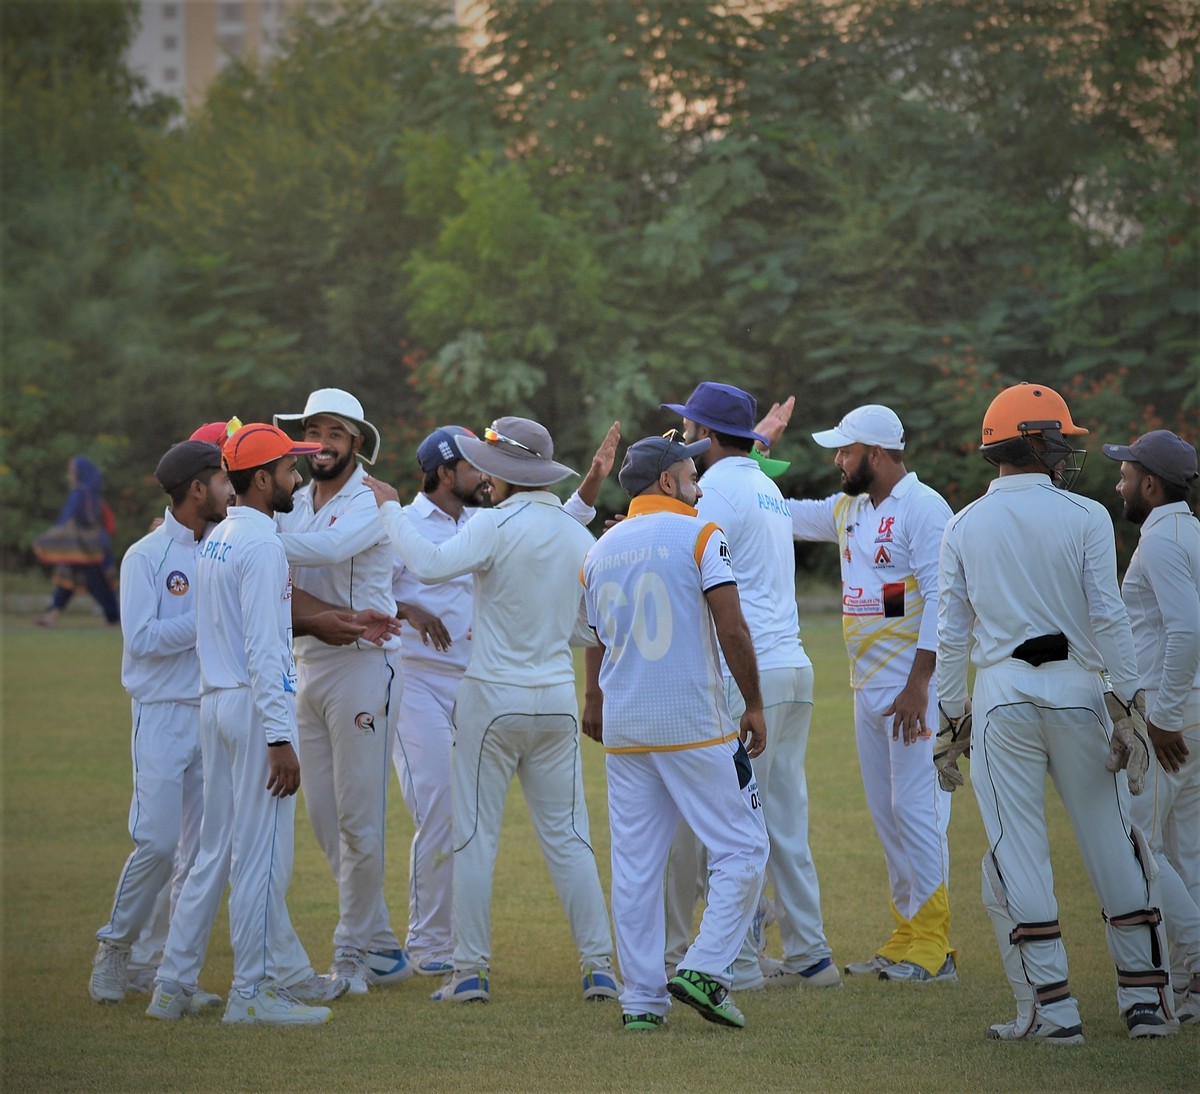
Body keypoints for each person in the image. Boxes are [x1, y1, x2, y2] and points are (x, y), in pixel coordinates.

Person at [937, 382, 1176, 1043]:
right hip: (1077, 692)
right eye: (1061, 443)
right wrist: (1128, 706)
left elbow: (951, 634)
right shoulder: (1086, 516)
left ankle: (1053, 1013)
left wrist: (948, 722)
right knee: (1114, 844)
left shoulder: (962, 524)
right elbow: (1109, 616)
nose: (1066, 455)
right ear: (1038, 443)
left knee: (1018, 856)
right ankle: (1145, 1004)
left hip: (1001, 700)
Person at [366, 417, 620, 1004]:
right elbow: (592, 629)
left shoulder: (493, 524)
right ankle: (599, 969)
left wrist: (389, 509)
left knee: (474, 838)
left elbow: (428, 564)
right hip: (554, 703)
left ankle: (470, 972)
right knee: (571, 838)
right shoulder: (577, 535)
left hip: (492, 701)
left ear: (504, 470)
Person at [149, 423, 347, 1025]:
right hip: (252, 707)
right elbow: (266, 648)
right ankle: (252, 994)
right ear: (261, 479)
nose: (297, 477)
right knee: (258, 855)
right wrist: (279, 737)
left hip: (216, 702)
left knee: (214, 850)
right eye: (288, 468)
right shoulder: (261, 546)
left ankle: (171, 985)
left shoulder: (218, 536)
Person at [581, 435, 770, 1031]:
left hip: (626, 729)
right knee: (745, 847)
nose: (700, 486)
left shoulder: (598, 549)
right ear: (667, 482)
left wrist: (593, 700)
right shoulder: (701, 534)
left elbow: (592, 639)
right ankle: (706, 968)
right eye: (692, 474)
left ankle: (641, 1002)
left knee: (636, 866)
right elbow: (732, 626)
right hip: (693, 724)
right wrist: (755, 702)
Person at [660, 382, 837, 991]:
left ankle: (736, 963)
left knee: (730, 824)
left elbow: (685, 561)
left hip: (747, 674)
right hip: (793, 667)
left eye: (689, 429)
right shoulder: (766, 486)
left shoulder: (713, 490)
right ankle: (811, 955)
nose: (684, 439)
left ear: (706, 436)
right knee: (781, 820)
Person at [779, 403, 955, 983]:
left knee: (916, 810)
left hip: (913, 692)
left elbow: (942, 600)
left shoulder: (924, 508)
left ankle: (935, 947)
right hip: (866, 689)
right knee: (887, 814)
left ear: (875, 454)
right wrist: (743, 463)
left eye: (846, 450)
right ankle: (907, 932)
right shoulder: (849, 509)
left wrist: (918, 685)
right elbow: (781, 513)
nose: (837, 460)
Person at [88, 441, 231, 1010]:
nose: (229, 489)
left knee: (198, 856)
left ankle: (169, 971)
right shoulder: (145, 556)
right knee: (156, 843)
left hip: (212, 712)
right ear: (196, 489)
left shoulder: (223, 548)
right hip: (162, 714)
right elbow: (143, 639)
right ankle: (115, 948)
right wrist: (207, 618)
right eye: (220, 480)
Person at [273, 388, 408, 994]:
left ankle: (351, 953)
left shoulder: (372, 499)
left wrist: (242, 528)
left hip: (363, 666)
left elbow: (328, 550)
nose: (321, 444)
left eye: (334, 433)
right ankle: (381, 943)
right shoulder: (294, 500)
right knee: (325, 820)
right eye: (313, 432)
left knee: (358, 820)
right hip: (306, 664)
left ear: (356, 442)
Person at [1104, 429, 1200, 1024]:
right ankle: (1188, 987)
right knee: (1186, 852)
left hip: (1169, 717)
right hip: (1189, 710)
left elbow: (1188, 629)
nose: (1118, 484)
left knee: (1139, 844)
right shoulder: (1190, 531)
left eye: (1125, 475)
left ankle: (1195, 962)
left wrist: (1160, 720)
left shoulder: (1162, 539)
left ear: (1150, 484)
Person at [32, 455, 120, 627]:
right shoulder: (89, 493)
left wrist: (51, 539)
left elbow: (82, 520)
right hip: (81, 547)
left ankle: (113, 617)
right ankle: (52, 616)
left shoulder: (82, 493)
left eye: (72, 472)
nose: (69, 476)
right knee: (66, 578)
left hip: (87, 548)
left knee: (96, 582)